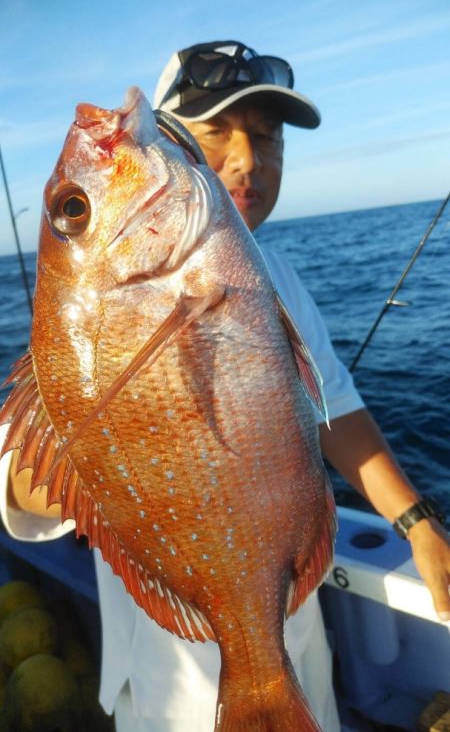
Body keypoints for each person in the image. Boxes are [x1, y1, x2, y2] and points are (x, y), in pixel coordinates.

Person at [1, 39, 449, 732]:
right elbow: (15, 484)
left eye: (267, 137)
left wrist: (417, 524)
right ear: (172, 138)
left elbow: (334, 409)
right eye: (220, 131)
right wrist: (85, 450)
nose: (247, 157)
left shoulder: (275, 277)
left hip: (292, 650)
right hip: (161, 693)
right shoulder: (81, 328)